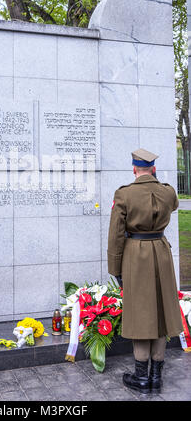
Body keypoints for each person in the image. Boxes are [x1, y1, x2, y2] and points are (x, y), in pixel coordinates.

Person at [107, 148, 183, 395]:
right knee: (161, 312)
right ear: (153, 169)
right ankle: (156, 376)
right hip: (160, 252)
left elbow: (116, 235)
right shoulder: (168, 192)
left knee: (141, 314)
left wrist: (115, 269)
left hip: (135, 257)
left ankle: (141, 378)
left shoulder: (124, 194)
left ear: (133, 169)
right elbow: (172, 205)